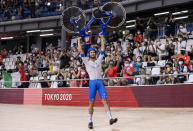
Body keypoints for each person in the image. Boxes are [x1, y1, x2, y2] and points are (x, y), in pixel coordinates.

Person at [77, 34, 118, 129]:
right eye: (91, 52)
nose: (92, 53)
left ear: (95, 54)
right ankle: (90, 121)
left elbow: (103, 49)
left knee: (105, 101)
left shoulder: (99, 60)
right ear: (89, 54)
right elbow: (80, 50)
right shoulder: (86, 61)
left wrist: (102, 38)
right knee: (91, 103)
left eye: (93, 52)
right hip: (92, 83)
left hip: (100, 82)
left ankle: (110, 119)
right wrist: (79, 41)